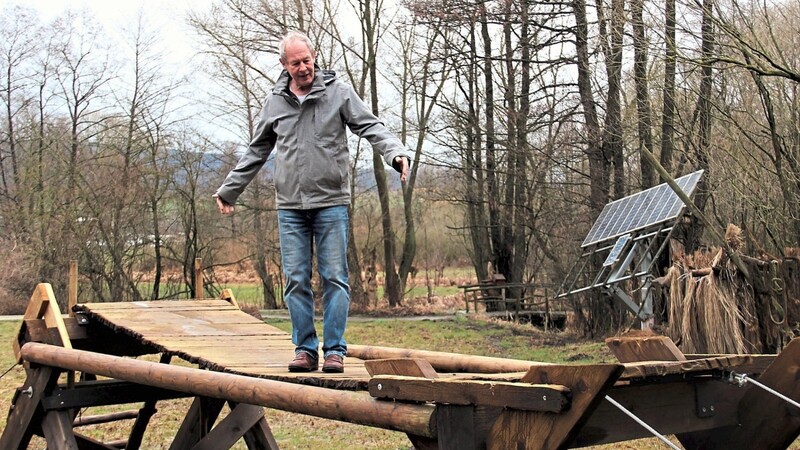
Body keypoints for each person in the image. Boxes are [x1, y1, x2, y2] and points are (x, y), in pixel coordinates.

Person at [214, 30, 410, 374]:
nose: (303, 68)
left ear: (314, 56)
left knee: (335, 277)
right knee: (295, 280)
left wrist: (395, 154)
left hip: (331, 202)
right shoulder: (275, 102)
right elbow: (258, 149)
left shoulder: (338, 93)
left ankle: (334, 350)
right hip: (290, 206)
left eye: (307, 60)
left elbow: (371, 126)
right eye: (295, 63)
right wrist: (230, 189)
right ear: (283, 65)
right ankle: (305, 349)